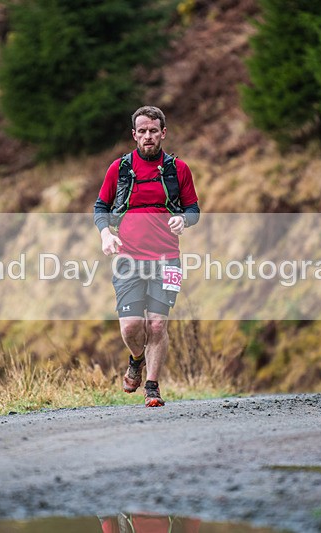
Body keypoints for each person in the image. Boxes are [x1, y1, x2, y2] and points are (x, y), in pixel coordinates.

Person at [93, 106, 200, 407]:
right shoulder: (120, 169)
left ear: (163, 133)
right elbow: (100, 207)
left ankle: (152, 386)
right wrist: (106, 234)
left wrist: (184, 219)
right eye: (142, 131)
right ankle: (136, 360)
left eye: (153, 130)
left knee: (156, 325)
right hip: (127, 259)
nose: (148, 136)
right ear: (134, 134)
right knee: (131, 326)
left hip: (168, 259)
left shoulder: (178, 170)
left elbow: (193, 209)